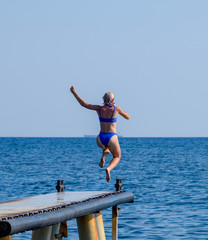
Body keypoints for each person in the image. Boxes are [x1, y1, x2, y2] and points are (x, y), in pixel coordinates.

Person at [70, 86, 130, 182]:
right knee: (117, 156)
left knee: (106, 147)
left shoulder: (98, 108)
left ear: (103, 99)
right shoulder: (116, 109)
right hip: (112, 137)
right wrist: (122, 112)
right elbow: (128, 117)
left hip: (100, 138)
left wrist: (74, 92)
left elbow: (84, 104)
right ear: (113, 100)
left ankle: (104, 155)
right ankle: (109, 168)